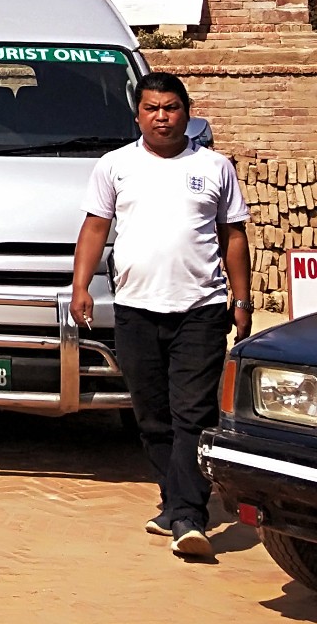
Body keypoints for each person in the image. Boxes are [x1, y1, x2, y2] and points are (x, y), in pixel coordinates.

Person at [70, 71, 251, 560]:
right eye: (152, 108)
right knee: (151, 415)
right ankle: (175, 502)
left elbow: (234, 237)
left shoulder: (215, 167)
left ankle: (190, 516)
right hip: (135, 309)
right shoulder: (115, 166)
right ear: (138, 116)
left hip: (202, 308)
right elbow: (94, 228)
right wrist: (81, 287)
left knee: (192, 410)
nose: (162, 117)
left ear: (187, 113)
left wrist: (242, 298)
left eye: (171, 107)